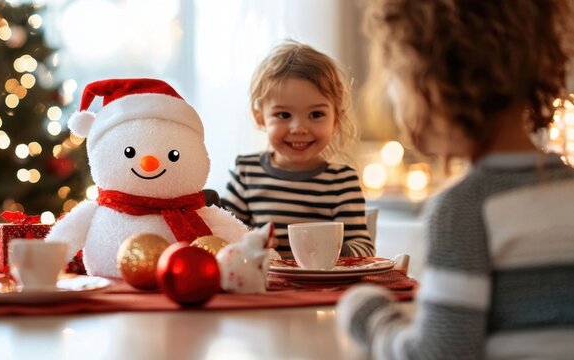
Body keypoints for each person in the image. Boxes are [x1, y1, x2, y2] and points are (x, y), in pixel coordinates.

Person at [337, 0, 574, 358]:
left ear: (435, 83)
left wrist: (368, 314)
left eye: (397, 78)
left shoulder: (464, 210)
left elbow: (440, 353)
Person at [221, 41, 374, 257]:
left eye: (316, 115)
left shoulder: (341, 181)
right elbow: (222, 236)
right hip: (261, 288)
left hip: (323, 289)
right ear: (260, 117)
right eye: (283, 115)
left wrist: (331, 250)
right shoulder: (246, 172)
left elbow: (365, 249)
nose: (299, 128)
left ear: (336, 119)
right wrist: (251, 241)